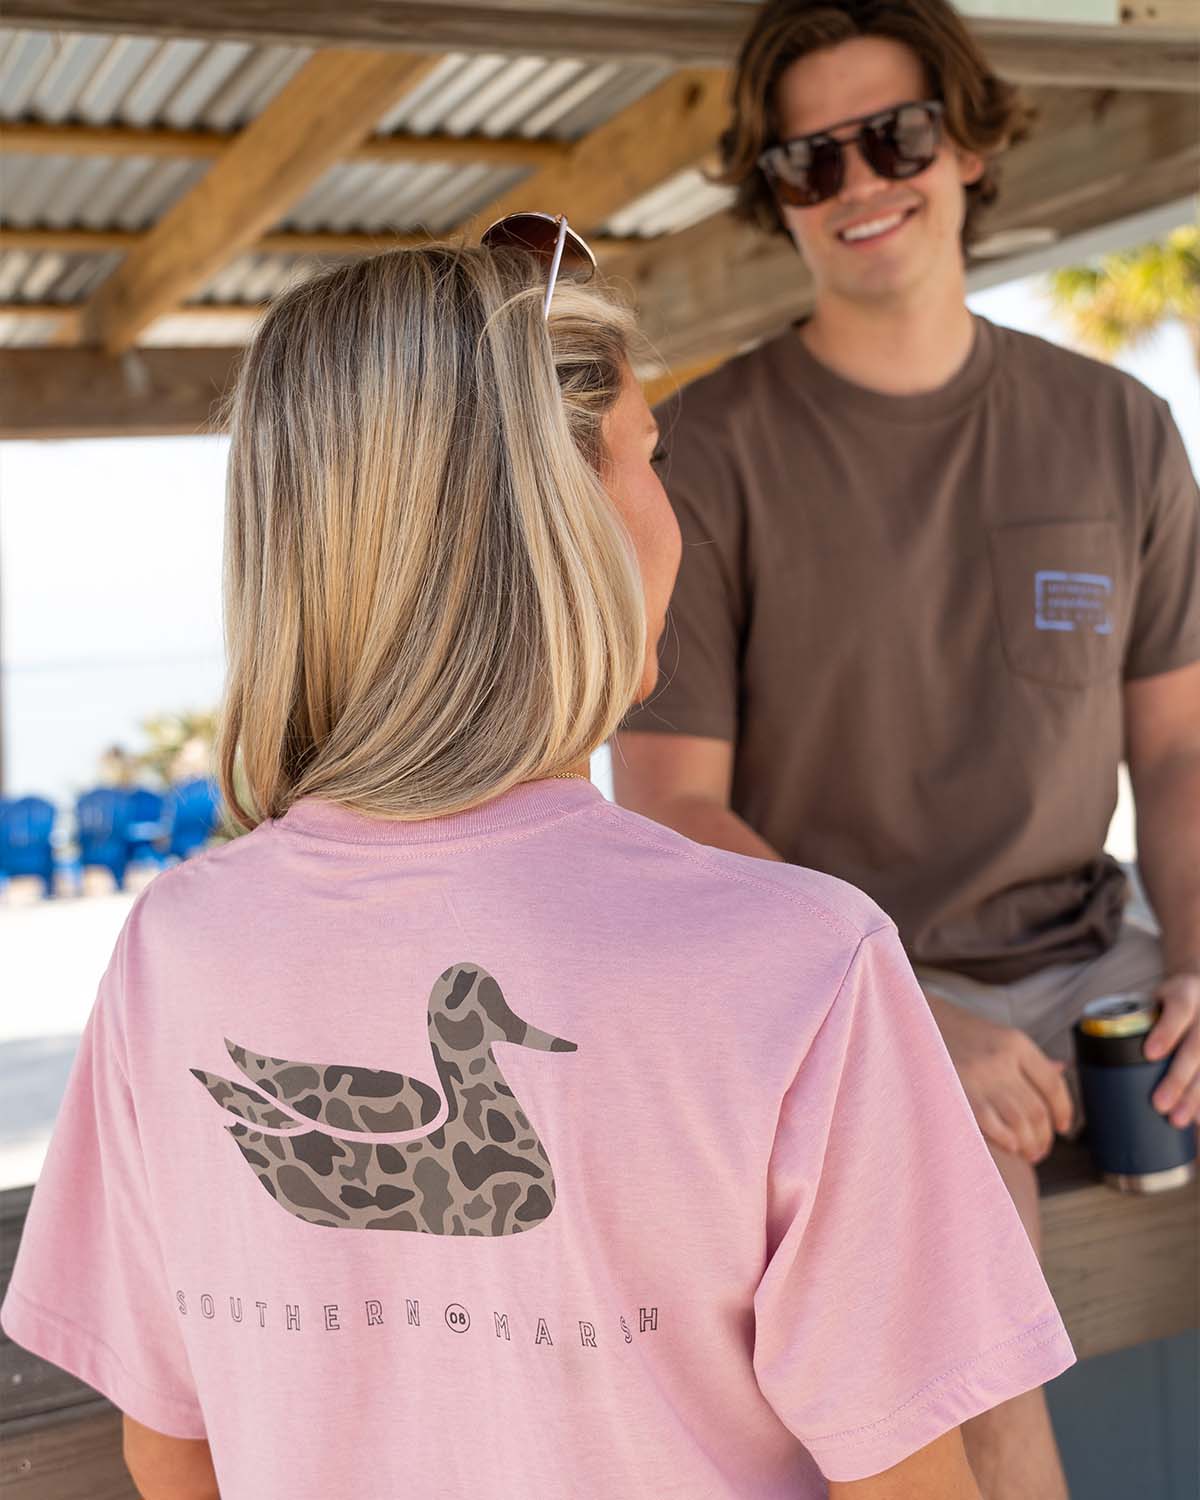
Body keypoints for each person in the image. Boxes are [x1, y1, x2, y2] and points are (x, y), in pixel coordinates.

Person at [2, 231, 1073, 1500]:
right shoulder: (801, 961)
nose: (675, 517)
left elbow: (170, 1449)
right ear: (564, 520)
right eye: (652, 459)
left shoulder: (175, 945)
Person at [614, 2, 1200, 1496]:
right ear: (773, 193)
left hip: (1091, 949)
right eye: (811, 160)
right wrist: (900, 1011)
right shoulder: (708, 455)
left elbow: (1180, 749)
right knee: (955, 1265)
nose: (861, 181)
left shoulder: (1120, 428)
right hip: (842, 992)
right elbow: (671, 808)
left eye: (900, 136)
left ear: (973, 141)